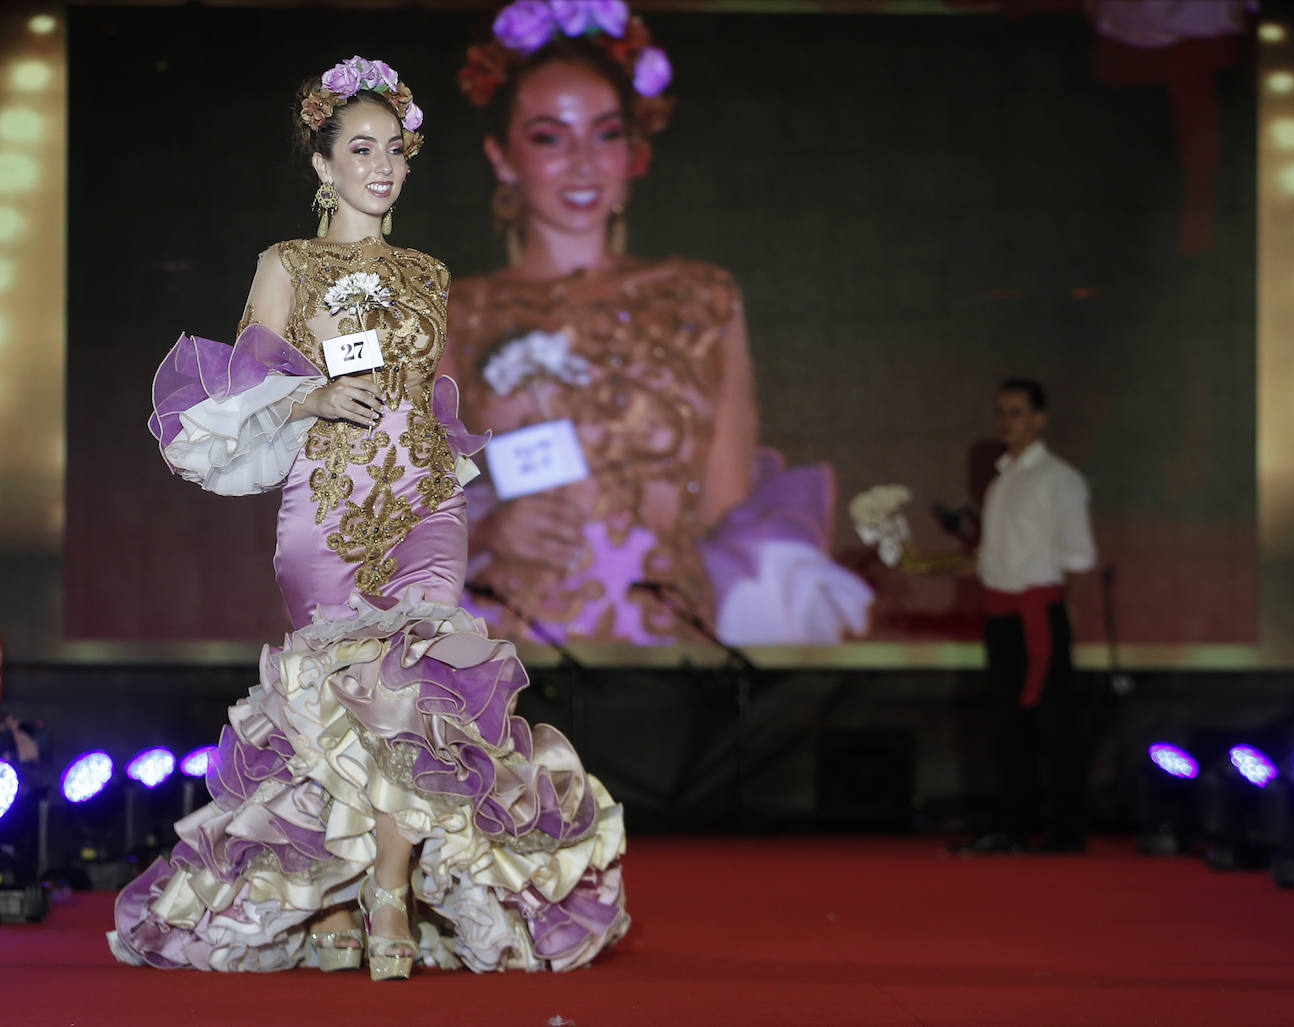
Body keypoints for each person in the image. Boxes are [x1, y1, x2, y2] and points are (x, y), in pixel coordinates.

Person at [110, 55, 628, 978]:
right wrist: (310, 402)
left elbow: (425, 395)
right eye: (360, 148)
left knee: (416, 691)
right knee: (341, 708)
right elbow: (237, 389)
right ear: (323, 165)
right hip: (328, 507)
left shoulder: (428, 272)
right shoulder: (287, 264)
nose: (381, 165)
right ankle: (334, 902)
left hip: (424, 498)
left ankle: (389, 893)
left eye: (395, 147)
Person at [444, 1, 872, 646]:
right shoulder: (453, 313)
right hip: (512, 657)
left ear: (634, 149)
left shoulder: (702, 298)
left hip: (671, 649)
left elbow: (726, 503)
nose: (583, 162)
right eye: (549, 137)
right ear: (502, 157)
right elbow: (406, 510)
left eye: (606, 133)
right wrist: (489, 530)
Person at [959, 377, 1096, 853]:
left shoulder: (1059, 480)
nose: (1006, 421)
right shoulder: (1001, 482)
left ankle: (1066, 829)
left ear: (1040, 418)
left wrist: (1060, 609)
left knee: (1053, 722)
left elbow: (1077, 558)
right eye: (1001, 412)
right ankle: (1014, 823)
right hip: (1000, 615)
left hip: (1038, 611)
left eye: (1016, 412)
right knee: (1006, 722)